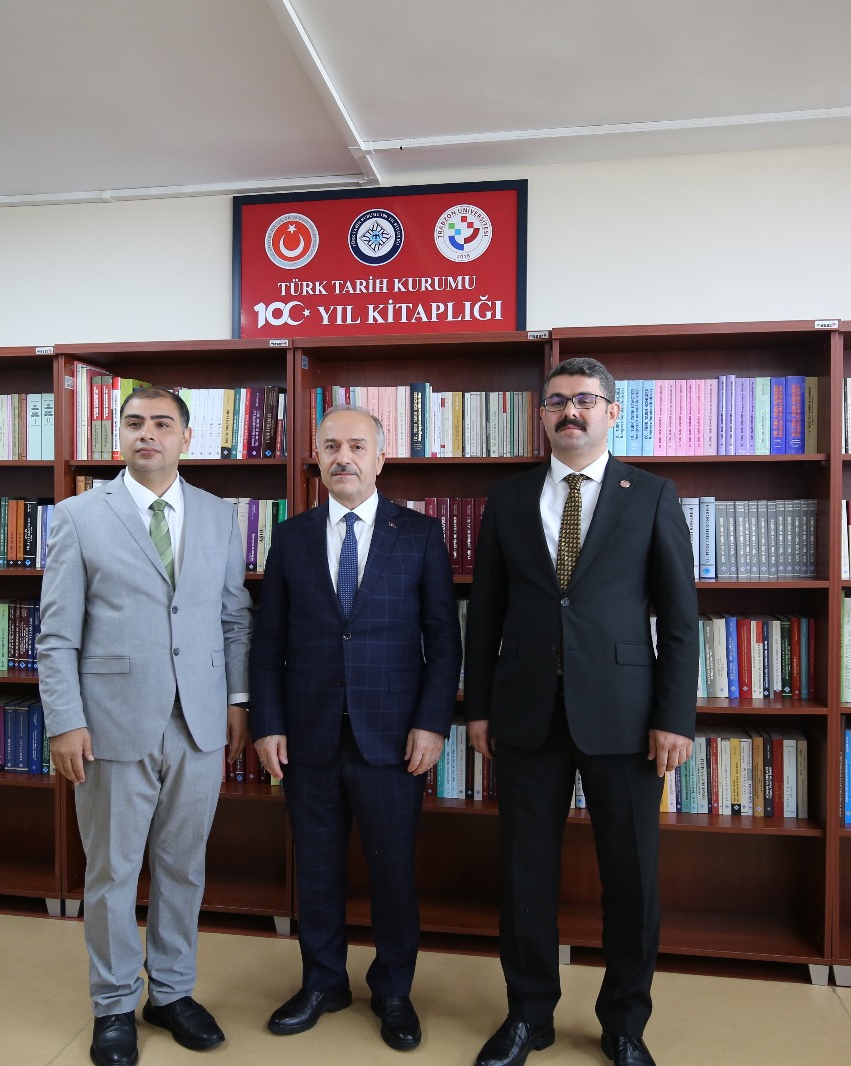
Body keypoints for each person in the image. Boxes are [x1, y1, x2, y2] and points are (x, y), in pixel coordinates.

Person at [463, 358, 697, 1066]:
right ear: (542, 415)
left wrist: (674, 716)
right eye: (558, 401)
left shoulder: (651, 494)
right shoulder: (508, 498)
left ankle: (625, 1023)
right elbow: (486, 613)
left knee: (631, 878)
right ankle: (528, 1016)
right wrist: (480, 708)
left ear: (611, 413)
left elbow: (679, 618)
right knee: (524, 874)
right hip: (525, 714)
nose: (571, 411)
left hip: (625, 718)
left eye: (586, 400)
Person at [37, 387, 253, 1066]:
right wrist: (65, 721)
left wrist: (238, 702)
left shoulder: (218, 515)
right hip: (110, 723)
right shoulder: (79, 516)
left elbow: (234, 617)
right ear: (119, 436)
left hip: (199, 721)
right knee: (113, 871)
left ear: (187, 438)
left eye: (162, 423)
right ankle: (112, 1005)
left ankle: (172, 992)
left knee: (184, 866)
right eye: (135, 423)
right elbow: (56, 634)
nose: (148, 433)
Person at [250, 405, 460, 1053]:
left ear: (381, 458)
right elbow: (268, 642)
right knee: (314, 869)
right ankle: (323, 982)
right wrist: (267, 724)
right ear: (316, 457)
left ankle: (394, 990)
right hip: (307, 735)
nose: (344, 457)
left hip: (392, 739)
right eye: (331, 446)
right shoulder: (291, 537)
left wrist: (431, 723)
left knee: (393, 872)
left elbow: (443, 642)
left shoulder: (419, 534)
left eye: (357, 446)